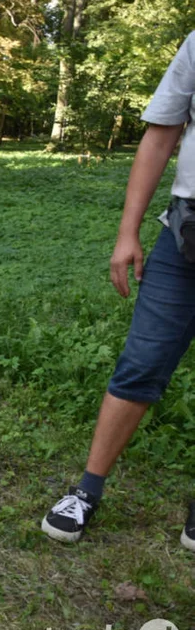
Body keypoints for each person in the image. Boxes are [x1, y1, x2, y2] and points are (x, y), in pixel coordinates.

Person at [41, 31, 195, 548]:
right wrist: (129, 231)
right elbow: (159, 135)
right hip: (185, 236)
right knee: (141, 362)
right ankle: (86, 491)